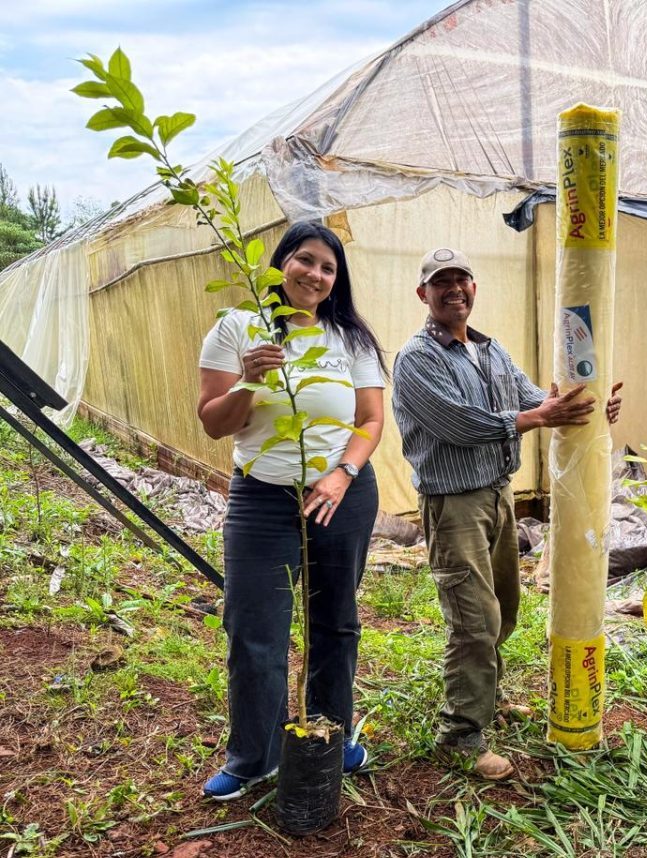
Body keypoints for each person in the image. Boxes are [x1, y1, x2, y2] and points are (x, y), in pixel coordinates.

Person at [391, 248, 621, 781]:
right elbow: (460, 423)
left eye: (462, 280)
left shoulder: (492, 352)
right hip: (454, 505)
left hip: (498, 496)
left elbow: (541, 398)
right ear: (423, 294)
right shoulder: (417, 358)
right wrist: (540, 416)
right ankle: (460, 734)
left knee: (504, 607)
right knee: (474, 620)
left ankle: (482, 701)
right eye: (441, 282)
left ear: (474, 288)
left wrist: (589, 409)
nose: (454, 290)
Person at [196, 222, 387, 800]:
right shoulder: (238, 326)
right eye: (305, 260)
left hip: (342, 495)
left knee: (335, 620)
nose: (315, 275)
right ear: (280, 264)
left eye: (328, 268)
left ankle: (329, 733)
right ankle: (255, 754)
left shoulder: (349, 339)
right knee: (254, 626)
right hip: (261, 496)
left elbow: (371, 421)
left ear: (336, 281)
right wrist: (250, 381)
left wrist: (341, 472)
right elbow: (212, 422)